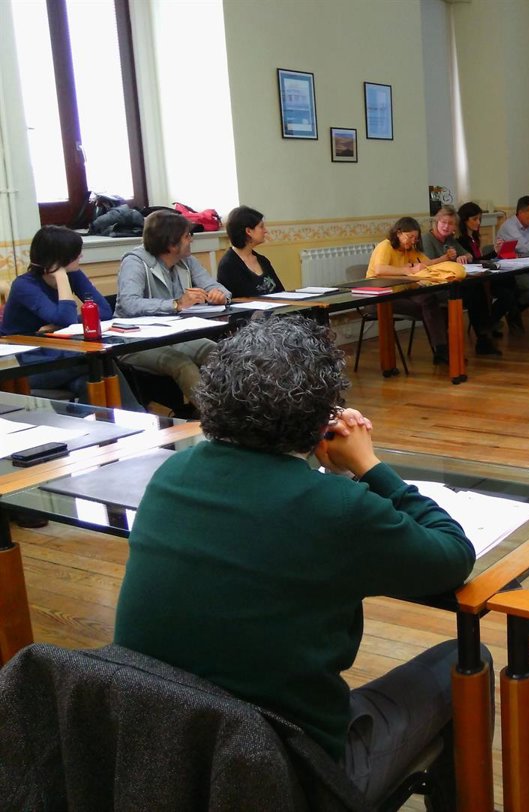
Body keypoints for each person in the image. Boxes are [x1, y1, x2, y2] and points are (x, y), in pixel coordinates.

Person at [113, 316, 484, 808]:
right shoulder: (336, 508)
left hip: (161, 753)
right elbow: (453, 555)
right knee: (466, 660)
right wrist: (369, 465)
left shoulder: (172, 473)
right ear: (321, 417)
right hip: (286, 774)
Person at [1, 225, 140, 410]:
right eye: (76, 253)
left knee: (89, 381)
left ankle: (88, 422)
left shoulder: (74, 274)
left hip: (58, 355)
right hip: (25, 365)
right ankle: (138, 414)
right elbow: (67, 320)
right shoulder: (24, 286)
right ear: (59, 258)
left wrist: (61, 325)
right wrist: (61, 277)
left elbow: (104, 311)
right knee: (100, 363)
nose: (81, 256)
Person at [116, 211, 231, 408]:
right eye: (187, 236)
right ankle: (213, 415)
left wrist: (219, 295)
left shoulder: (187, 260)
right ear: (171, 244)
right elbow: (129, 303)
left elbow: (218, 288)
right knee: (182, 365)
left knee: (220, 353)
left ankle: (236, 409)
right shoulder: (135, 262)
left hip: (175, 336)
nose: (191, 240)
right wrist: (176, 304)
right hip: (135, 342)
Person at [366, 216, 451, 364]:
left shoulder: (409, 249)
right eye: (410, 237)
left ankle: (442, 350)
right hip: (380, 296)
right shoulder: (385, 246)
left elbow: (427, 263)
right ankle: (442, 351)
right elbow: (380, 269)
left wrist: (445, 258)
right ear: (398, 233)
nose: (413, 241)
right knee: (427, 308)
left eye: (415, 238)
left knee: (431, 300)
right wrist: (407, 271)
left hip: (402, 292)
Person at [422, 205, 501, 356]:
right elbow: (428, 265)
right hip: (437, 287)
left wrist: (463, 256)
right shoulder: (427, 239)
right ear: (437, 222)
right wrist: (447, 258)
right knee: (474, 293)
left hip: (453, 283)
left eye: (450, 224)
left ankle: (483, 338)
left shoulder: (450, 239)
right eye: (443, 222)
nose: (446, 226)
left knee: (477, 289)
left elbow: (469, 255)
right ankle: (482, 337)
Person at [458, 201, 518, 337]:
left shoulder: (473, 237)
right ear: (465, 220)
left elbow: (479, 259)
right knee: (506, 295)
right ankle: (489, 323)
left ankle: (491, 322)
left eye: (479, 219)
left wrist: (496, 252)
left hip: (483, 276)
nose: (478, 222)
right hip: (474, 281)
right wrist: (494, 253)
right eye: (474, 219)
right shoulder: (461, 240)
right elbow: (474, 262)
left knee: (511, 282)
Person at [217, 206, 284, 298]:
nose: (265, 231)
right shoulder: (228, 265)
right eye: (261, 227)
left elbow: (281, 292)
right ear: (248, 231)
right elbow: (233, 300)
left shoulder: (263, 261)